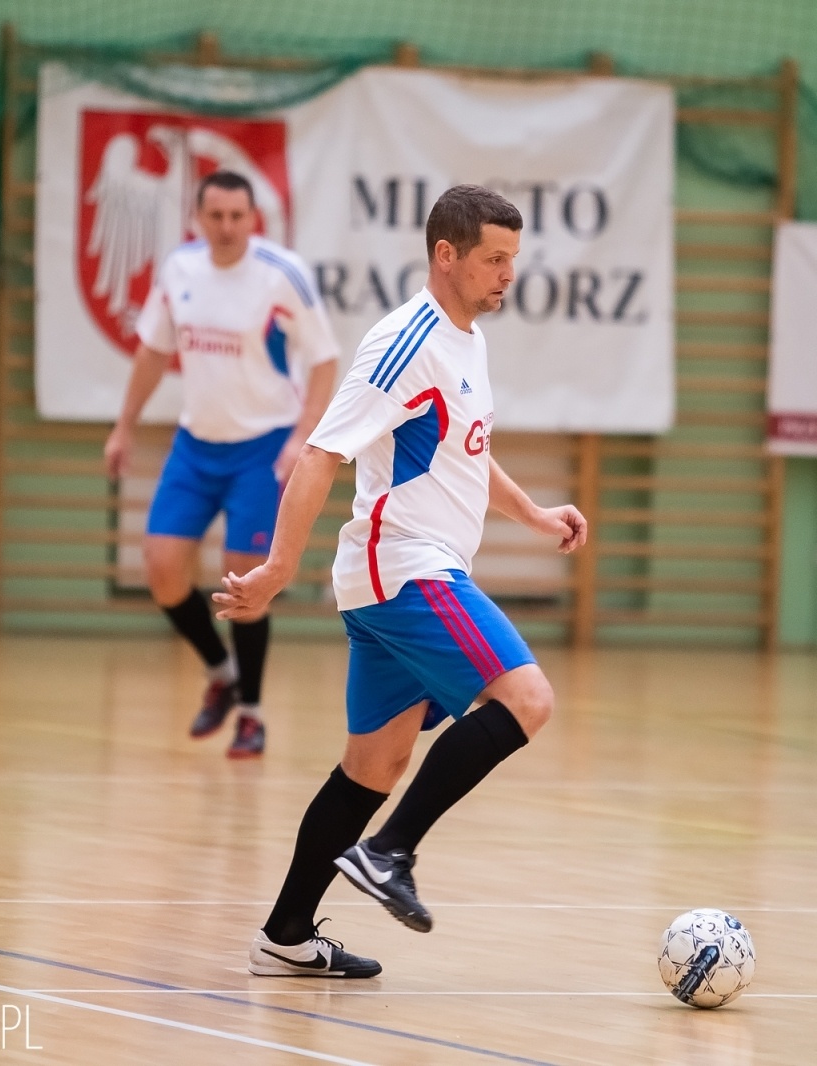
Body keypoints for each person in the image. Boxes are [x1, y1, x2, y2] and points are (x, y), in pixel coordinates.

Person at [215, 184, 587, 978]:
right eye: (493, 259)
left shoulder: (466, 341)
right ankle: (389, 852)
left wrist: (533, 514)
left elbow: (465, 453)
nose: (507, 275)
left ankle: (285, 936)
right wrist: (278, 569)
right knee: (527, 700)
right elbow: (321, 454)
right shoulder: (404, 341)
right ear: (445, 255)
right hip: (406, 567)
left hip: (395, 576)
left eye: (513, 260)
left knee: (373, 766)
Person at [104, 171, 339, 759]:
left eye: (238, 216)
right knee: (162, 569)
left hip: (262, 447)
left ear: (253, 218)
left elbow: (325, 360)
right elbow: (153, 351)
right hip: (196, 446)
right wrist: (124, 425)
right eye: (217, 216)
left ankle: (252, 715)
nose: (228, 226)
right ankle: (220, 672)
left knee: (244, 584)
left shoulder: (282, 274)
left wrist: (301, 437)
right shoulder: (180, 269)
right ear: (198, 218)